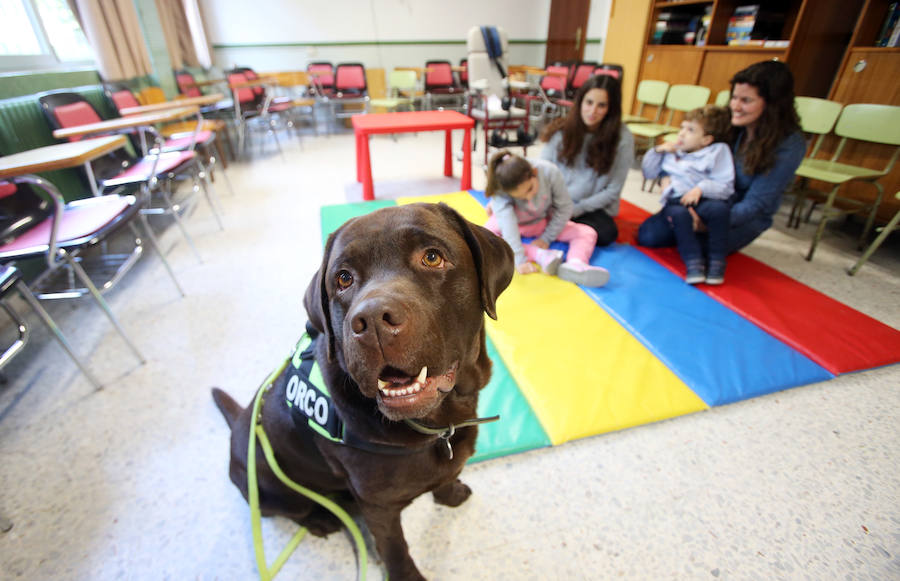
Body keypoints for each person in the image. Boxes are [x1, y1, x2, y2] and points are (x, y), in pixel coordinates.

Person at [636, 60, 806, 257]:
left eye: (746, 101)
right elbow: (687, 154)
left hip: (741, 213)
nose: (736, 106)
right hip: (705, 198)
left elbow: (757, 204)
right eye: (734, 97)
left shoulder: (788, 144)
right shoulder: (727, 122)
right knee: (649, 236)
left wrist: (709, 222)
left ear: (772, 105)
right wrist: (667, 179)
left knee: (701, 250)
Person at [484, 149, 610, 287]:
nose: (528, 197)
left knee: (587, 232)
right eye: (520, 197)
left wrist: (547, 238)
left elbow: (565, 207)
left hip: (542, 221)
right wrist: (519, 259)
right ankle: (540, 255)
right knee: (486, 239)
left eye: (530, 189)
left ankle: (576, 263)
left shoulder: (549, 171)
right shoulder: (501, 187)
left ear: (535, 173)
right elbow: (507, 224)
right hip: (514, 223)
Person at [641, 105, 735, 284]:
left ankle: (717, 261)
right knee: (679, 216)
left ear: (707, 139)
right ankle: (693, 263)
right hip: (678, 201)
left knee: (719, 210)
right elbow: (649, 172)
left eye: (690, 130)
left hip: (704, 198)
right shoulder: (674, 153)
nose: (682, 134)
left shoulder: (717, 151)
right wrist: (658, 151)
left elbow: (725, 184)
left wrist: (700, 189)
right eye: (682, 128)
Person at [539, 74, 635, 247]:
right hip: (556, 200)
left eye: (601, 105)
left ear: (611, 108)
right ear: (580, 101)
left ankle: (557, 225)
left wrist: (574, 210)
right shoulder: (561, 130)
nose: (592, 111)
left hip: (588, 208)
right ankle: (563, 227)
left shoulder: (623, 139)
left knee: (607, 233)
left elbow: (613, 190)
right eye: (589, 102)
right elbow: (542, 171)